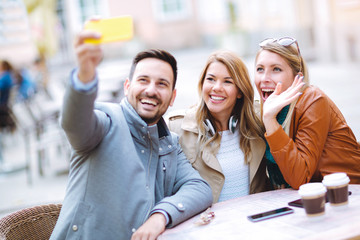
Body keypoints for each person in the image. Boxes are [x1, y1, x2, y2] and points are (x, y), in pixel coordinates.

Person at [50, 30, 212, 240]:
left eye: (162, 84)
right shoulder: (106, 121)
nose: (151, 90)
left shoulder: (169, 143)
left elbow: (199, 188)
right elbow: (74, 123)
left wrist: (160, 215)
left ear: (172, 97)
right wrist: (84, 78)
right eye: (143, 80)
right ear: (128, 87)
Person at [254, 37, 360, 190]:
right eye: (260, 69)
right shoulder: (265, 109)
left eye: (276, 69)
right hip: (306, 199)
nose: (264, 78)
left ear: (297, 76)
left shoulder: (313, 101)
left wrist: (270, 121)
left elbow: (299, 178)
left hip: (346, 194)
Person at [167, 50, 269, 203]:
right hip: (208, 224)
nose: (216, 87)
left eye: (227, 81)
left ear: (240, 91)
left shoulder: (259, 121)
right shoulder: (177, 127)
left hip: (253, 222)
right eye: (211, 79)